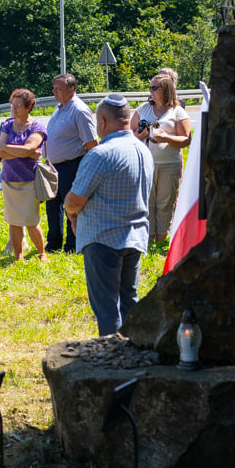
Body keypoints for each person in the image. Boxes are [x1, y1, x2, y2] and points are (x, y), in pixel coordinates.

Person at [64, 94, 154, 336]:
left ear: (102, 122)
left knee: (106, 308)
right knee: (128, 300)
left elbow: (75, 199)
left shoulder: (101, 154)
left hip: (103, 238)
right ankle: (133, 350)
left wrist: (72, 215)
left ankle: (112, 359)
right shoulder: (143, 150)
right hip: (134, 237)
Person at [130, 73, 191, 242]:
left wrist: (166, 138)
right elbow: (131, 132)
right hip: (145, 163)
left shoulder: (177, 111)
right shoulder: (143, 108)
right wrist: (139, 135)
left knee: (165, 203)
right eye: (150, 87)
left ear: (166, 90)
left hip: (169, 163)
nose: (151, 90)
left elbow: (186, 139)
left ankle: (161, 240)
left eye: (154, 87)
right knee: (146, 202)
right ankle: (147, 239)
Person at [44, 74, 98, 253]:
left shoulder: (79, 111)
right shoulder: (60, 108)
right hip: (54, 167)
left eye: (58, 89)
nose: (54, 92)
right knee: (53, 205)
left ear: (71, 90)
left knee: (71, 207)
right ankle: (54, 243)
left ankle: (72, 245)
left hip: (72, 166)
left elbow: (92, 144)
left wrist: (87, 170)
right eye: (54, 88)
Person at [0, 89, 49, 262]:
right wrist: (25, 152)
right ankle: (19, 256)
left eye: (18, 105)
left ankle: (42, 253)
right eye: (13, 105)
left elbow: (28, 148)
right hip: (9, 179)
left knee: (31, 221)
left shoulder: (37, 127)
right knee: (13, 221)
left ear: (29, 107)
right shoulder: (7, 125)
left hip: (29, 180)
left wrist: (12, 149)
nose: (14, 108)